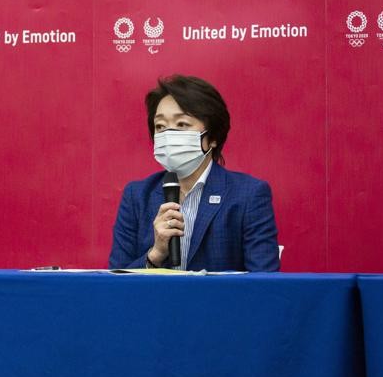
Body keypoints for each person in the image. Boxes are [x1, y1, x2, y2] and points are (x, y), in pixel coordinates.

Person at [108, 75, 279, 272]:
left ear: (212, 137)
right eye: (160, 126)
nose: (169, 134)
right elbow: (116, 279)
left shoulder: (248, 195)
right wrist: (155, 254)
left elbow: (264, 282)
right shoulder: (137, 195)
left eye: (182, 124)